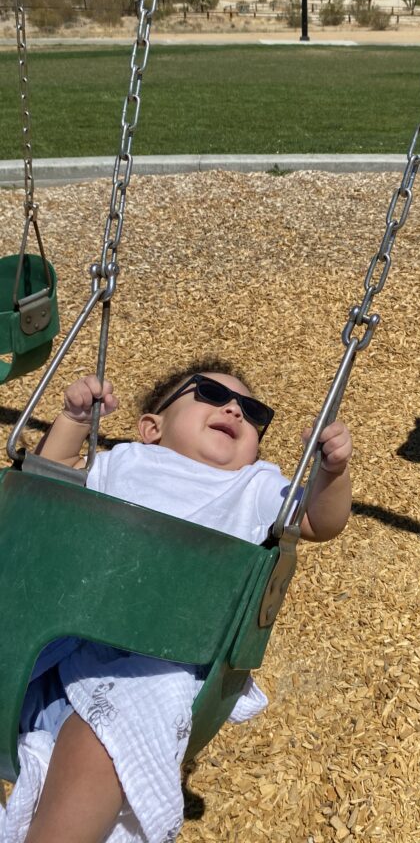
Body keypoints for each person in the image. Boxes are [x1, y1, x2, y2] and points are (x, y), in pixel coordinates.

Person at [2, 357, 352, 843]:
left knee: (102, 743)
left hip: (156, 664)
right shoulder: (126, 460)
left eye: (252, 412)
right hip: (62, 644)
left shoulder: (254, 485)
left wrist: (330, 472)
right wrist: (75, 421)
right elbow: (49, 477)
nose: (234, 409)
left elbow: (319, 522)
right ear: (151, 427)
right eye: (210, 394)